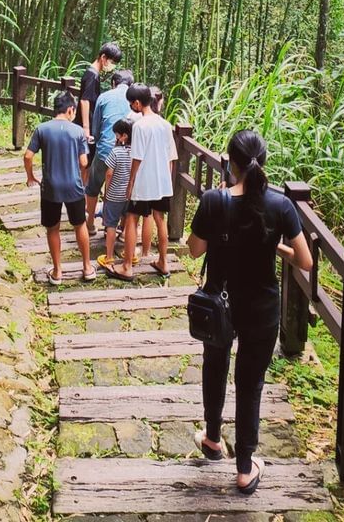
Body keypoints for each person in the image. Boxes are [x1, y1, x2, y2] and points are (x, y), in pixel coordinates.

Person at [186, 130, 313, 495]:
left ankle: (212, 437)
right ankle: (244, 467)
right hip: (261, 307)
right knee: (250, 383)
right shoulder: (280, 206)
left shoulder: (214, 201)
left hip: (219, 304)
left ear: (231, 164)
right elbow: (304, 260)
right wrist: (275, 247)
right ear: (263, 163)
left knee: (215, 365)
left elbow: (195, 250)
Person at [24, 91, 96, 284]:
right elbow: (83, 162)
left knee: (53, 228)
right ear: (71, 110)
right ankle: (87, 267)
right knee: (79, 224)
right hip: (74, 186)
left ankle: (57, 272)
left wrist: (31, 176)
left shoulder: (42, 129)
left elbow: (28, 156)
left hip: (50, 188)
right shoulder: (78, 131)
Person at [111, 83, 175, 281]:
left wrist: (130, 183)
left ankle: (127, 266)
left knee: (131, 218)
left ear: (137, 103)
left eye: (131, 103)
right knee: (160, 219)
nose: (131, 106)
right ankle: (163, 262)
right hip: (162, 181)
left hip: (144, 181)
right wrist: (167, 180)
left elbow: (136, 157)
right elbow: (171, 155)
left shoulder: (139, 126)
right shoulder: (165, 124)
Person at [86, 68, 134, 233]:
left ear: (114, 83)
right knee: (124, 188)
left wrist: (99, 144)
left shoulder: (104, 97)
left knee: (93, 187)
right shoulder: (135, 100)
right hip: (128, 153)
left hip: (105, 149)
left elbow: (96, 127)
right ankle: (120, 226)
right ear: (131, 84)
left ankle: (90, 223)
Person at [96, 119, 134, 271]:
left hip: (114, 195)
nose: (115, 137)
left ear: (124, 136)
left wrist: (106, 191)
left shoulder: (115, 152)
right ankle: (129, 254)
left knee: (111, 224)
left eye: (117, 134)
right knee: (130, 222)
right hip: (130, 195)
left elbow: (109, 173)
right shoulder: (136, 151)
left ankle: (110, 256)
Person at [74, 42, 123, 151]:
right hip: (85, 125)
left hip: (85, 122)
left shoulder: (92, 73)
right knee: (85, 160)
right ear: (103, 57)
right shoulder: (93, 75)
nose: (112, 66)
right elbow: (85, 101)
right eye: (112, 62)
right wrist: (86, 129)